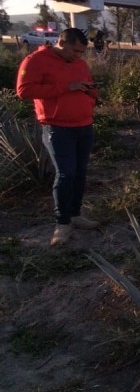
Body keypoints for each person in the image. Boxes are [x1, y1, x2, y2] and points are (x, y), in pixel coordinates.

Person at [16, 28, 100, 246]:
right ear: (62, 43)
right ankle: (62, 223)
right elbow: (24, 90)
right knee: (66, 174)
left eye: (82, 52)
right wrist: (67, 87)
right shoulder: (36, 60)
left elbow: (86, 85)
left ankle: (75, 214)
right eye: (75, 51)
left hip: (84, 125)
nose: (78, 56)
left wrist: (91, 94)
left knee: (80, 172)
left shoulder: (80, 63)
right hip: (58, 128)